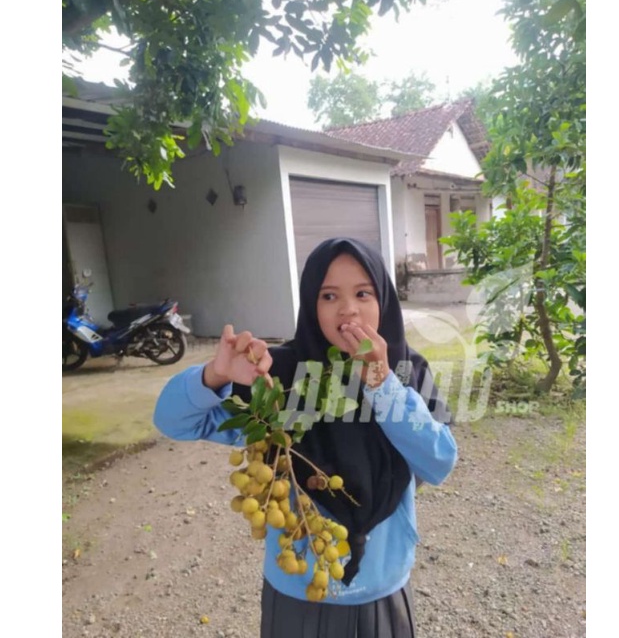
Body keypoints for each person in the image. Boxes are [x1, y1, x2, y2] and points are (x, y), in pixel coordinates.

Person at [154, 237, 458, 638]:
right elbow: (172, 421)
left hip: (385, 589)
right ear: (311, 306)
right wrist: (216, 375)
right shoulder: (276, 376)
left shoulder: (406, 370)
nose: (348, 309)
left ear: (384, 300)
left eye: (363, 293)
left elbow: (438, 462)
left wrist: (381, 384)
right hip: (298, 593)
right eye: (329, 296)